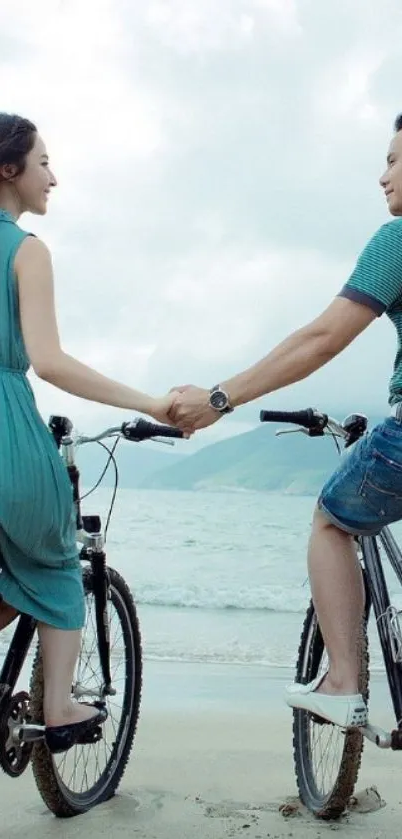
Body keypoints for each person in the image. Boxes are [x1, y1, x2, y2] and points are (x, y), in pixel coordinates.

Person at [168, 112, 402, 729]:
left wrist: (221, 398)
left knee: (330, 520)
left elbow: (322, 340)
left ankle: (344, 684)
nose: (383, 177)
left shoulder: (397, 241)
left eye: (395, 161)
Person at [0, 113, 178, 753]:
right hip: (7, 432)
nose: (55, 176)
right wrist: (150, 399)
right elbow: (49, 361)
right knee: (51, 563)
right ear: (8, 169)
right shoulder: (25, 250)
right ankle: (59, 703)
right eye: (44, 162)